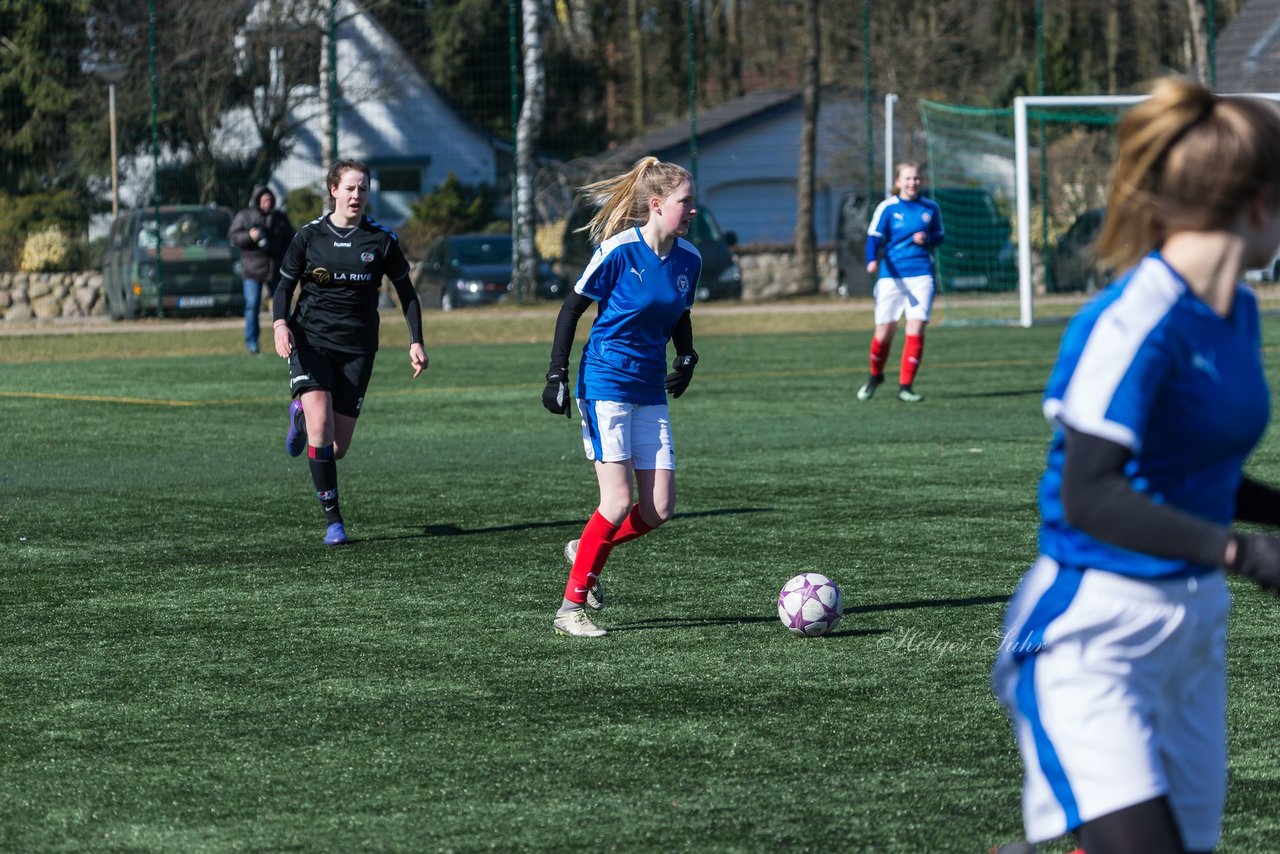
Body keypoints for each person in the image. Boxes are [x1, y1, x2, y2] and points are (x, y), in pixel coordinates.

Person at [992, 77, 1280, 854]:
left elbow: (1200, 474)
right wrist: (1242, 552)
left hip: (1192, 631)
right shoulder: (1134, 320)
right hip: (1093, 638)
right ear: (1257, 204)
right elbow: (1090, 495)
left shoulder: (1237, 311)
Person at [541, 156, 702, 637]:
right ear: (656, 205)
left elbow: (680, 312)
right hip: (605, 383)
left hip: (650, 388)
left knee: (658, 510)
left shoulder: (688, 258)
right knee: (615, 503)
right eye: (684, 202)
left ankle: (586, 548)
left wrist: (687, 356)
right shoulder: (618, 251)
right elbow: (571, 310)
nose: (692, 210)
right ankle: (570, 609)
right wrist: (555, 376)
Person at [271, 160, 428, 546]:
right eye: (350, 188)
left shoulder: (381, 240)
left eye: (363, 189)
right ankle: (334, 522)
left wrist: (416, 340)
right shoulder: (309, 237)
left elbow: (406, 294)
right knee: (322, 426)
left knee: (336, 448)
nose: (357, 196)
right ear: (333, 191)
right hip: (311, 341)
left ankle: (300, 419)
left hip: (358, 348)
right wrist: (279, 325)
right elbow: (282, 288)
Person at [857, 161, 944, 403]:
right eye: (907, 178)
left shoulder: (930, 208)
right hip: (891, 277)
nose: (912, 182)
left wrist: (927, 238)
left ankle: (906, 386)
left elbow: (940, 236)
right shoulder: (887, 208)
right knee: (883, 333)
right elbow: (874, 237)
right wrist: (871, 260)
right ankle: (875, 376)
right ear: (898, 182)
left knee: (915, 328)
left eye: (916, 178)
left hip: (921, 275)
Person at [230, 185, 295, 354]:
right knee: (252, 305)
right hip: (252, 270)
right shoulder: (245, 216)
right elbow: (234, 236)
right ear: (258, 201)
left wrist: (285, 257)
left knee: (282, 305)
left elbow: (292, 239)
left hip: (276, 269)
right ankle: (252, 342)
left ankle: (290, 340)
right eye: (264, 200)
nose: (268, 203)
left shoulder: (279, 218)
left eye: (270, 200)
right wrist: (250, 236)